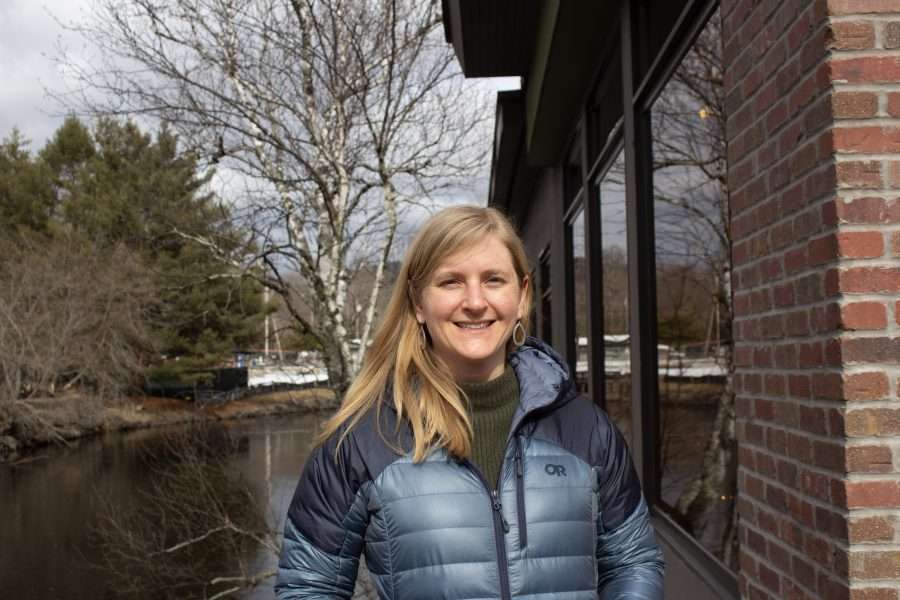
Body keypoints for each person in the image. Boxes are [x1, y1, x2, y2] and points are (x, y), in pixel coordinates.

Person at [276, 206, 665, 599]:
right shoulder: (363, 440)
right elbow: (307, 587)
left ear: (522, 296)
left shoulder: (587, 430)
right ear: (417, 302)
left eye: (494, 280)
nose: (475, 301)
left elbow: (633, 562)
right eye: (451, 282)